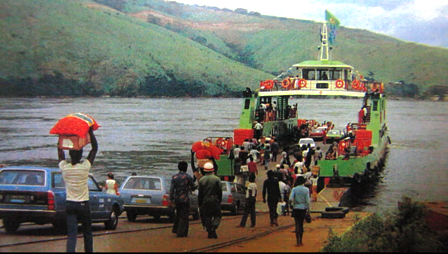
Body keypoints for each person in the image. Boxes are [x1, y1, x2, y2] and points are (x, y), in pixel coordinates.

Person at [58, 126, 97, 253]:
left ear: (70, 154)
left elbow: (60, 153)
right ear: (81, 155)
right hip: (83, 204)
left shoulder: (65, 168)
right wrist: (90, 132)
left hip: (70, 203)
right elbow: (94, 149)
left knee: (72, 234)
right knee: (87, 232)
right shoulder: (84, 167)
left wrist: (61, 136)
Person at [170, 161, 195, 238]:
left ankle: (176, 229)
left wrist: (171, 198)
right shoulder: (188, 177)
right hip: (185, 199)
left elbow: (172, 189)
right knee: (184, 216)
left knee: (178, 214)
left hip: (177, 198)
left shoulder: (174, 177)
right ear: (186, 168)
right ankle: (182, 232)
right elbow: (193, 187)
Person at [198, 162, 222, 239]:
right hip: (215, 199)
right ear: (212, 170)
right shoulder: (217, 179)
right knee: (217, 215)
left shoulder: (201, 180)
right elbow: (220, 191)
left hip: (205, 200)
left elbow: (200, 193)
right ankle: (214, 227)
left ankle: (210, 230)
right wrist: (219, 201)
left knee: (207, 216)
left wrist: (200, 203)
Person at [289, 175, 310, 247]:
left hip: (296, 208)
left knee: (297, 224)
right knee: (301, 225)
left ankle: (297, 241)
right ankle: (301, 240)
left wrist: (292, 204)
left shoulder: (294, 189)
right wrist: (308, 210)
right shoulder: (306, 190)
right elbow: (307, 201)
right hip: (303, 208)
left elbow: (290, 198)